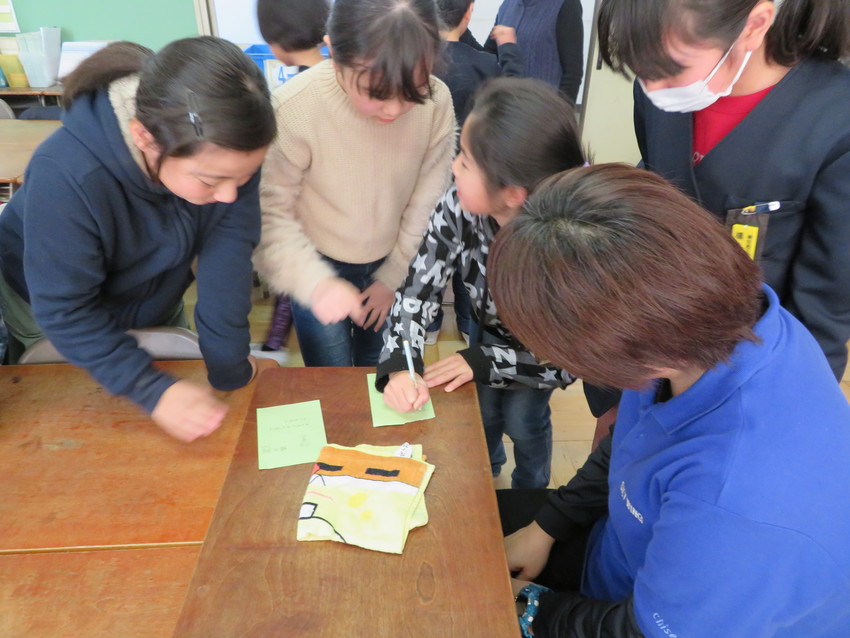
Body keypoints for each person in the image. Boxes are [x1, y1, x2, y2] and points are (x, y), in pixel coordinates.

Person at [488, 164, 850, 637]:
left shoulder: (736, 508)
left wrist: (531, 611)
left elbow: (646, 631)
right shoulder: (720, 318)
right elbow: (634, 441)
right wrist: (547, 526)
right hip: (625, 558)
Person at [0, 38, 277, 442]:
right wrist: (152, 390)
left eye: (245, 177)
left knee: (167, 410)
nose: (230, 196)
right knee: (79, 424)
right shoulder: (66, 174)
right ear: (145, 138)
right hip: (52, 306)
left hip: (152, 285)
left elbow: (228, 263)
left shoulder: (227, 154)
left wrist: (229, 367)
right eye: (211, 181)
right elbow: (65, 310)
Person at [597, 0, 850, 381]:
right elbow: (655, 197)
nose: (653, 89)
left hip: (751, 366)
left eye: (671, 69)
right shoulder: (657, 98)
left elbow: (824, 309)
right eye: (641, 70)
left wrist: (800, 397)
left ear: (754, 24)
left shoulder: (833, 120)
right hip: (652, 345)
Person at [376, 78, 584, 489]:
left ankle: (531, 487)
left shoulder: (572, 247)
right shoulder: (459, 205)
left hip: (541, 355)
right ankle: (484, 476)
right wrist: (401, 365)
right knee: (482, 411)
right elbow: (417, 292)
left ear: (513, 194)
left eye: (466, 162)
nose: (454, 168)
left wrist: (486, 361)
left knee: (525, 420)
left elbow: (567, 364)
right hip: (486, 329)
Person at [253, 0, 455, 368]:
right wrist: (315, 283)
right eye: (376, 93)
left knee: (377, 367)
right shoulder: (294, 108)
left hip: (393, 256)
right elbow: (269, 214)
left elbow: (427, 199)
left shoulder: (438, 101)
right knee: (330, 373)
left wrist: (394, 276)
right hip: (316, 261)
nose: (393, 110)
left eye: (412, 92)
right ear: (333, 50)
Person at [255, 0, 331, 360]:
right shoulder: (339, 82)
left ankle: (274, 346)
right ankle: (274, 344)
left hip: (310, 228)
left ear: (276, 42)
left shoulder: (289, 99)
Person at [485, 0, 584, 103]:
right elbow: (487, 56)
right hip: (507, 109)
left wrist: (562, 114)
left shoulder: (566, 4)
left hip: (543, 112)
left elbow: (573, 73)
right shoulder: (507, 5)